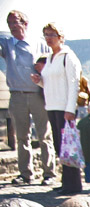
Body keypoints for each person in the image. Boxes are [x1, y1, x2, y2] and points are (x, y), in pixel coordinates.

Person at [0, 10, 57, 186]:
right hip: (16, 94)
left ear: (25, 24)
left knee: (44, 135)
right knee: (21, 137)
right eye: (9, 23)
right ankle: (26, 173)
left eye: (15, 22)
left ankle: (49, 173)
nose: (12, 26)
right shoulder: (7, 44)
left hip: (37, 94)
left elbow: (51, 65)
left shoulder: (39, 44)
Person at [31, 23, 83, 195]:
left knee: (68, 145)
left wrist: (70, 109)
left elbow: (73, 84)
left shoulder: (68, 57)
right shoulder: (50, 58)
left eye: (52, 34)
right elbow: (50, 82)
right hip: (52, 106)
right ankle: (66, 181)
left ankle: (74, 184)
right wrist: (38, 80)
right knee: (60, 146)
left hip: (63, 108)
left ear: (61, 37)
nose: (49, 38)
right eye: (46, 34)